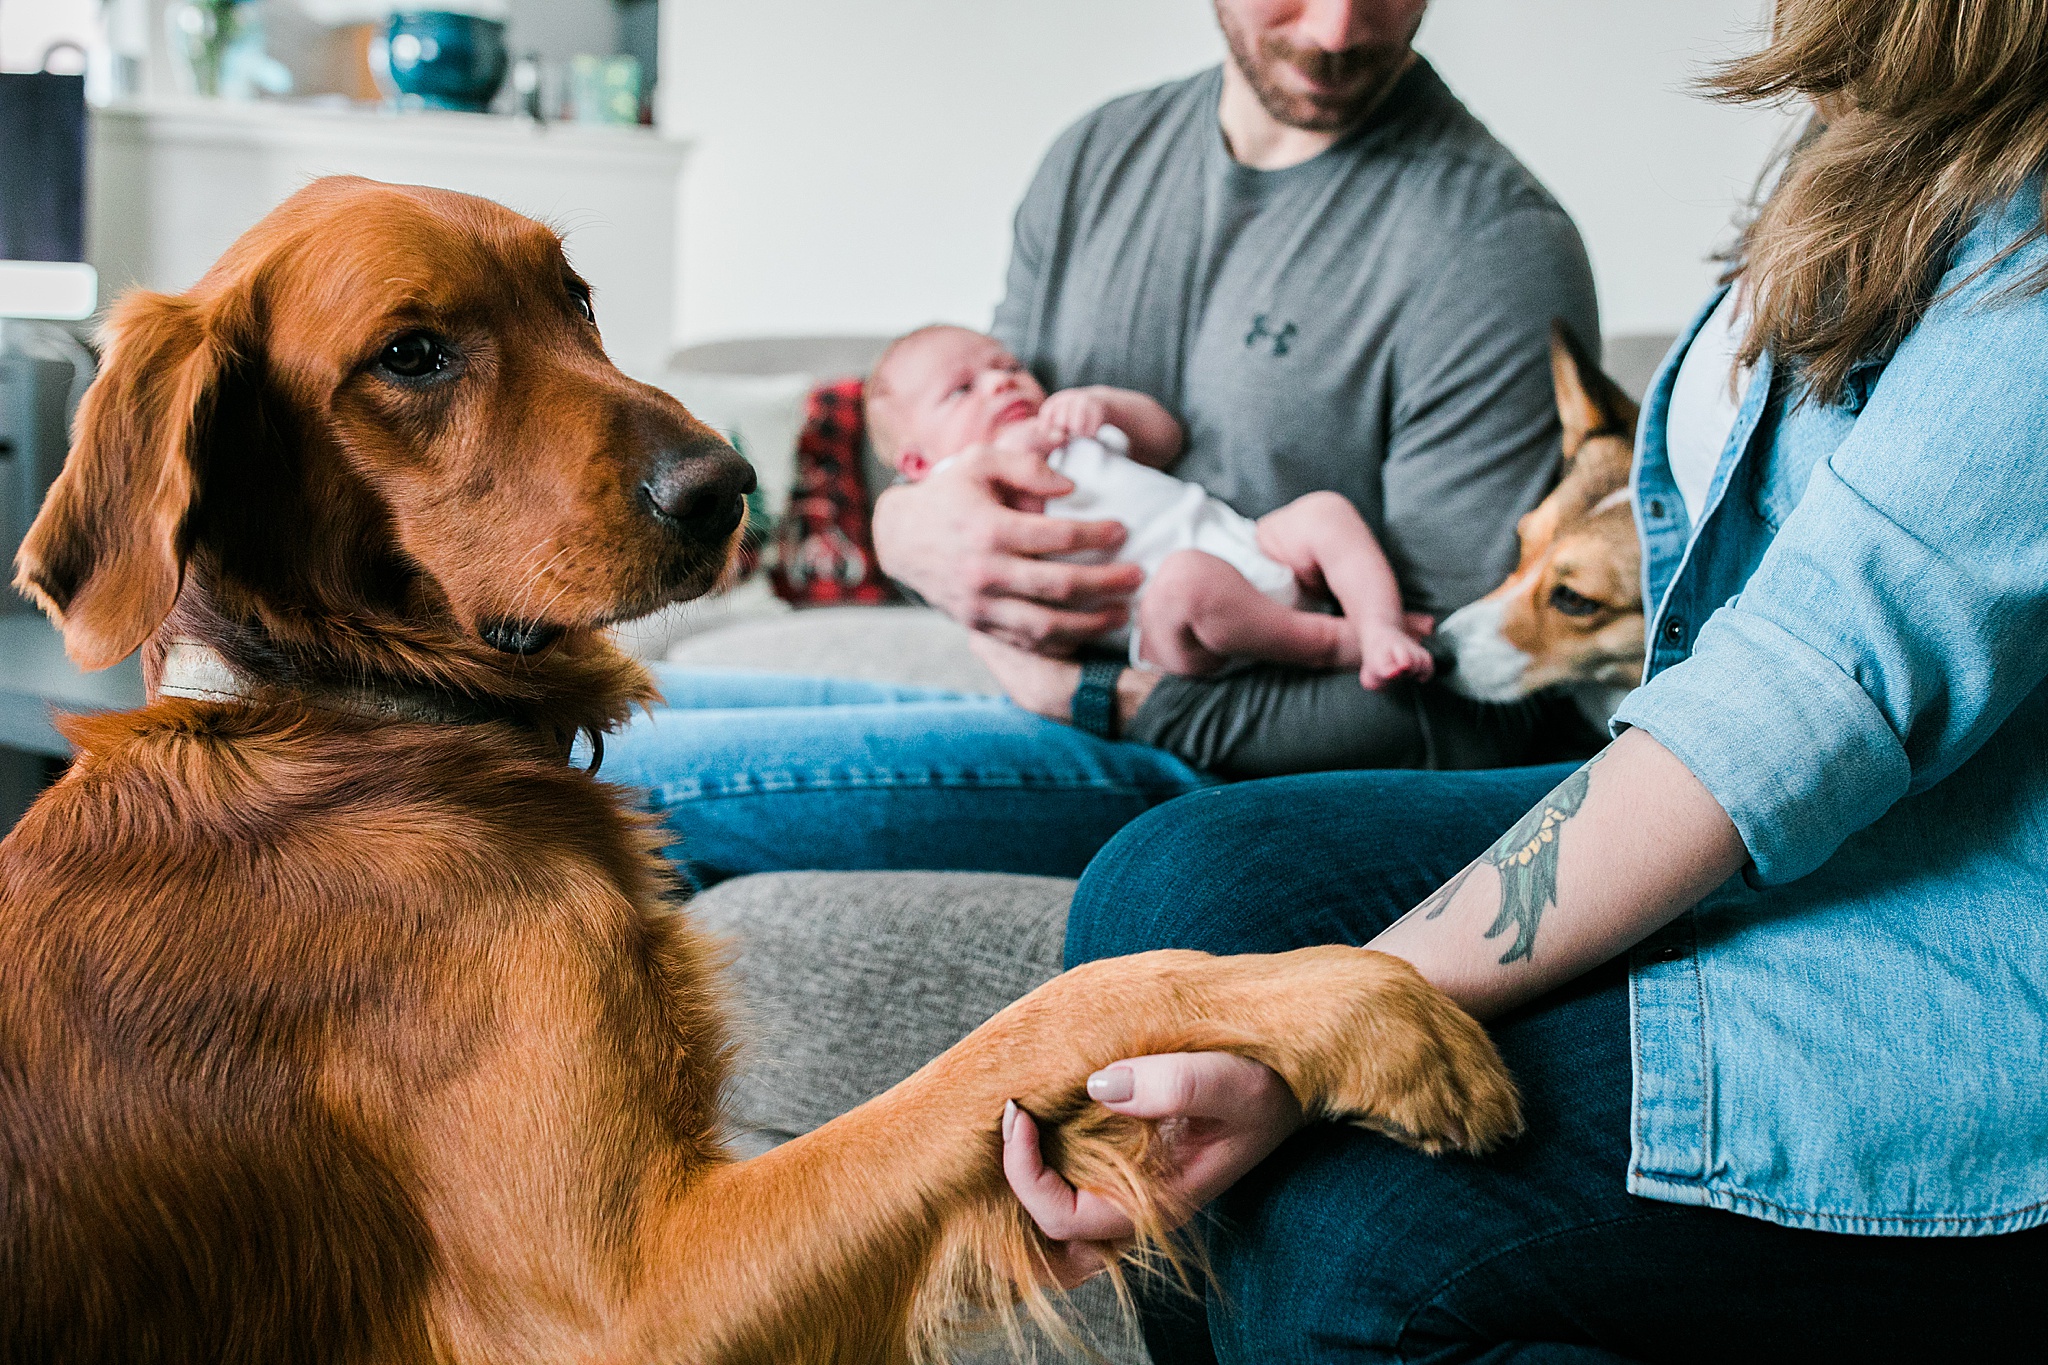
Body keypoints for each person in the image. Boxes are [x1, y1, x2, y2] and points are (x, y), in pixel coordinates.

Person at [1000, 1, 2048, 1358]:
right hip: (1803, 822)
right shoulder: (1880, 141)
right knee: (1171, 891)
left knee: (1360, 1231)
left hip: (1954, 921)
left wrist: (1324, 1029)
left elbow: (1796, 700)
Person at [597, 0, 1602, 886]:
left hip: (1211, 756)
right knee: (571, 696)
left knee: (579, 769)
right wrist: (906, 529)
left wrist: (1090, 692)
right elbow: (979, 456)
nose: (1337, 28)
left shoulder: (1493, 247)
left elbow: (1466, 715)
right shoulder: (1094, 161)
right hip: (1045, 685)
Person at [866, 323, 1435, 687]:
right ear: (918, 466)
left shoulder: (1067, 430)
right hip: (1167, 623)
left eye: (1008, 366)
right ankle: (1337, 643)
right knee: (1189, 580)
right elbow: (1002, 565)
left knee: (1324, 512)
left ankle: (1381, 623)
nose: (1000, 384)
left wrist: (1106, 407)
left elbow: (1164, 439)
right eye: (962, 390)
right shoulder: (965, 500)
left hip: (1246, 542)